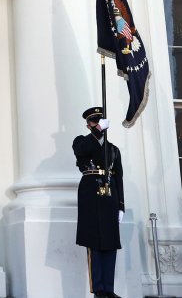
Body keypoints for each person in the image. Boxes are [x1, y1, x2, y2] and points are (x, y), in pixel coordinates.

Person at [73, 107, 124, 298]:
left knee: (110, 243)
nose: (98, 124)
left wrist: (121, 205)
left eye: (100, 121)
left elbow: (119, 177)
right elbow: (82, 151)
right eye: (94, 122)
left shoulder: (113, 149)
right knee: (94, 242)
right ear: (89, 125)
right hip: (91, 194)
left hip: (109, 195)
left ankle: (108, 289)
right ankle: (99, 289)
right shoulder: (81, 141)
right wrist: (97, 132)